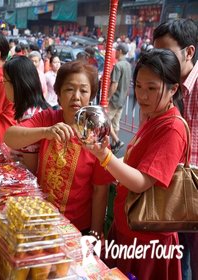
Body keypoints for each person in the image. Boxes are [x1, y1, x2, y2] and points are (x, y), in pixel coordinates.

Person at [85, 49, 186, 279]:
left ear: (173, 89)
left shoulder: (172, 127)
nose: (142, 95)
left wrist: (106, 158)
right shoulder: (153, 117)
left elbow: (142, 181)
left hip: (147, 240)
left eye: (152, 88)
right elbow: (134, 163)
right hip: (130, 225)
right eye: (139, 86)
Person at [4, 60, 112, 236]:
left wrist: (96, 233)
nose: (76, 96)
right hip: (40, 216)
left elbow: (100, 191)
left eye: (83, 90)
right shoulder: (48, 118)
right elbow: (10, 137)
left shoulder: (96, 136)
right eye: (69, 89)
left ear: (91, 97)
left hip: (76, 228)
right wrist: (46, 132)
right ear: (59, 94)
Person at [153, 18, 198, 280]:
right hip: (172, 190)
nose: (159, 61)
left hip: (194, 190)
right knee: (180, 260)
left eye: (165, 53)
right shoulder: (170, 87)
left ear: (189, 52)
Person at [3, 56, 49, 173]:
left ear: (17, 84)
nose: (3, 86)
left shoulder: (30, 116)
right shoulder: (35, 109)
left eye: (5, 81)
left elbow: (31, 169)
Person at [107, 43, 132, 154]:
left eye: (116, 50)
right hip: (122, 100)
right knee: (116, 123)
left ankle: (116, 141)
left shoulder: (118, 66)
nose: (115, 52)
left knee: (105, 120)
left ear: (120, 51)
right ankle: (114, 145)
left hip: (114, 99)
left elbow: (114, 84)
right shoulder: (128, 65)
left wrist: (107, 97)